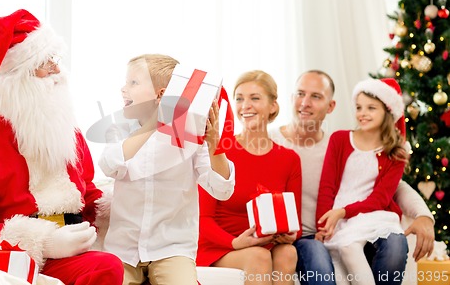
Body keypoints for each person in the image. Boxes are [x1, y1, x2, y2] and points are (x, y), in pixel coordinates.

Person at [0, 9, 124, 285]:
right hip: (14, 261)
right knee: (106, 268)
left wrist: (124, 207)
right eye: (46, 63)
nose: (58, 71)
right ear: (16, 76)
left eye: (56, 60)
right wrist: (45, 243)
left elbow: (87, 191)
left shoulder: (63, 125)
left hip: (78, 250)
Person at [268, 70, 435, 285]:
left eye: (316, 96)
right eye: (300, 94)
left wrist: (424, 216)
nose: (305, 103)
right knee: (319, 262)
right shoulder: (267, 141)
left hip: (344, 227)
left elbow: (395, 187)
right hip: (303, 239)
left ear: (331, 106)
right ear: (291, 98)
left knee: (394, 245)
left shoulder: (335, 144)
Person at [98, 54, 235, 285]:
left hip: (172, 249)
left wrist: (214, 145)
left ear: (161, 95)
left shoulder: (191, 136)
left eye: (133, 83)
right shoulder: (119, 128)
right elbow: (108, 165)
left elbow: (222, 190)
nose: (124, 89)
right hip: (123, 249)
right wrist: (154, 124)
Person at [197, 70, 302, 285]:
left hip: (265, 241)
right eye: (239, 99)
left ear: (273, 106)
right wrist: (236, 242)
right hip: (223, 245)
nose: (245, 106)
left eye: (255, 98)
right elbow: (203, 220)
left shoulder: (289, 159)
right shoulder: (219, 151)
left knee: (288, 252)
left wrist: (290, 235)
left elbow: (295, 221)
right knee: (259, 256)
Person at [314, 78, 410, 284]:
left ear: (387, 111)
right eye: (359, 107)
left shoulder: (397, 153)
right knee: (347, 248)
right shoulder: (339, 140)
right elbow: (327, 187)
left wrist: (344, 211)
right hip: (339, 217)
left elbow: (381, 198)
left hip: (372, 214)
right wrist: (322, 225)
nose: (362, 113)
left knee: (381, 244)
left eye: (371, 108)